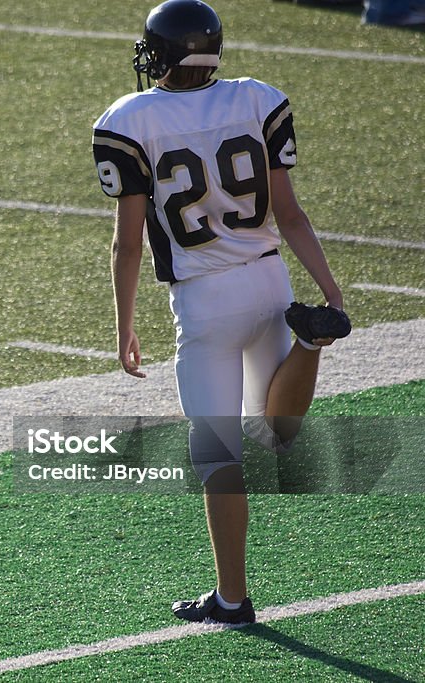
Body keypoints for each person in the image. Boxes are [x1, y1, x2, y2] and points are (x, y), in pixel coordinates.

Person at [92, 0, 351, 624]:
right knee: (279, 432)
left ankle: (232, 598)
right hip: (269, 278)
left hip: (205, 299)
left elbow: (130, 243)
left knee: (218, 453)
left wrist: (124, 326)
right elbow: (289, 213)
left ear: (158, 53)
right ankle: (309, 345)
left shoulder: (129, 119)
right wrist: (331, 292)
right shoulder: (259, 98)